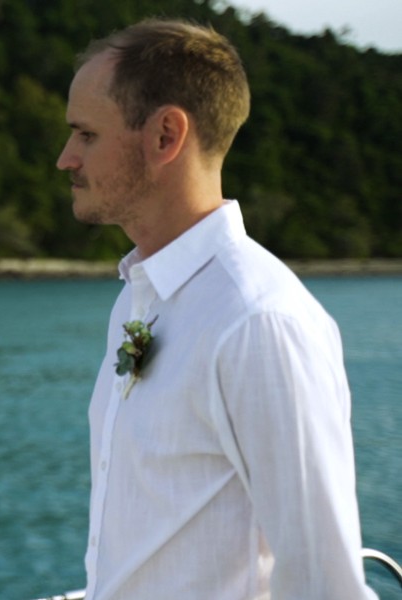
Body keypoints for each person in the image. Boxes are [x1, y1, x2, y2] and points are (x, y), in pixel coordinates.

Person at [56, 18, 374, 599]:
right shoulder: (137, 296)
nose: (65, 159)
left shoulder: (259, 322)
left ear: (164, 137)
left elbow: (325, 583)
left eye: (85, 135)